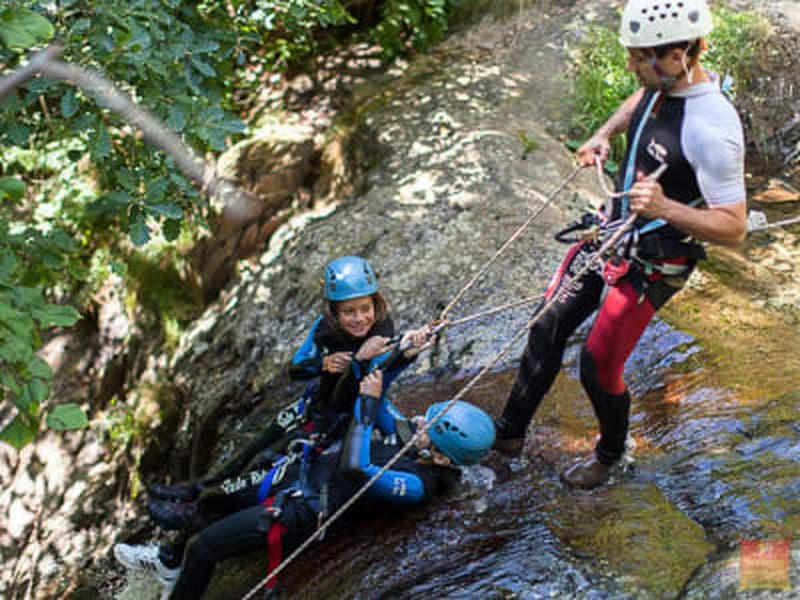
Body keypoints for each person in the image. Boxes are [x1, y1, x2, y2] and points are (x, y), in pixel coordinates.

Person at [493, 0, 747, 489]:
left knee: (597, 365)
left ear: (679, 55)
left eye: (639, 57)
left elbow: (734, 227)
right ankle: (508, 436)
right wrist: (604, 133)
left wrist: (666, 208)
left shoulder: (712, 128)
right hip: (613, 233)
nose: (631, 65)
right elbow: (639, 101)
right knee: (546, 328)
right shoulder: (662, 83)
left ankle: (611, 457)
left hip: (656, 261)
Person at [114, 370, 496, 599]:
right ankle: (166, 564)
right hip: (300, 474)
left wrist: (365, 407)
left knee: (204, 548)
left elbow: (357, 467)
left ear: (443, 458)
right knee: (212, 503)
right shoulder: (413, 439)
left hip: (301, 509)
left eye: (431, 428)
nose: (421, 423)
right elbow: (377, 391)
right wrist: (400, 357)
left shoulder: (417, 484)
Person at [146, 255, 433, 526]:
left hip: (337, 422)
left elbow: (364, 386)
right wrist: (323, 363)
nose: (359, 318)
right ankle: (194, 491)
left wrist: (404, 350)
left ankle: (198, 512)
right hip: (311, 407)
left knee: (261, 467)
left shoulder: (381, 333)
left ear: (375, 304)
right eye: (348, 311)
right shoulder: (325, 328)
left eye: (365, 309)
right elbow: (295, 368)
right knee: (248, 452)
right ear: (334, 311)